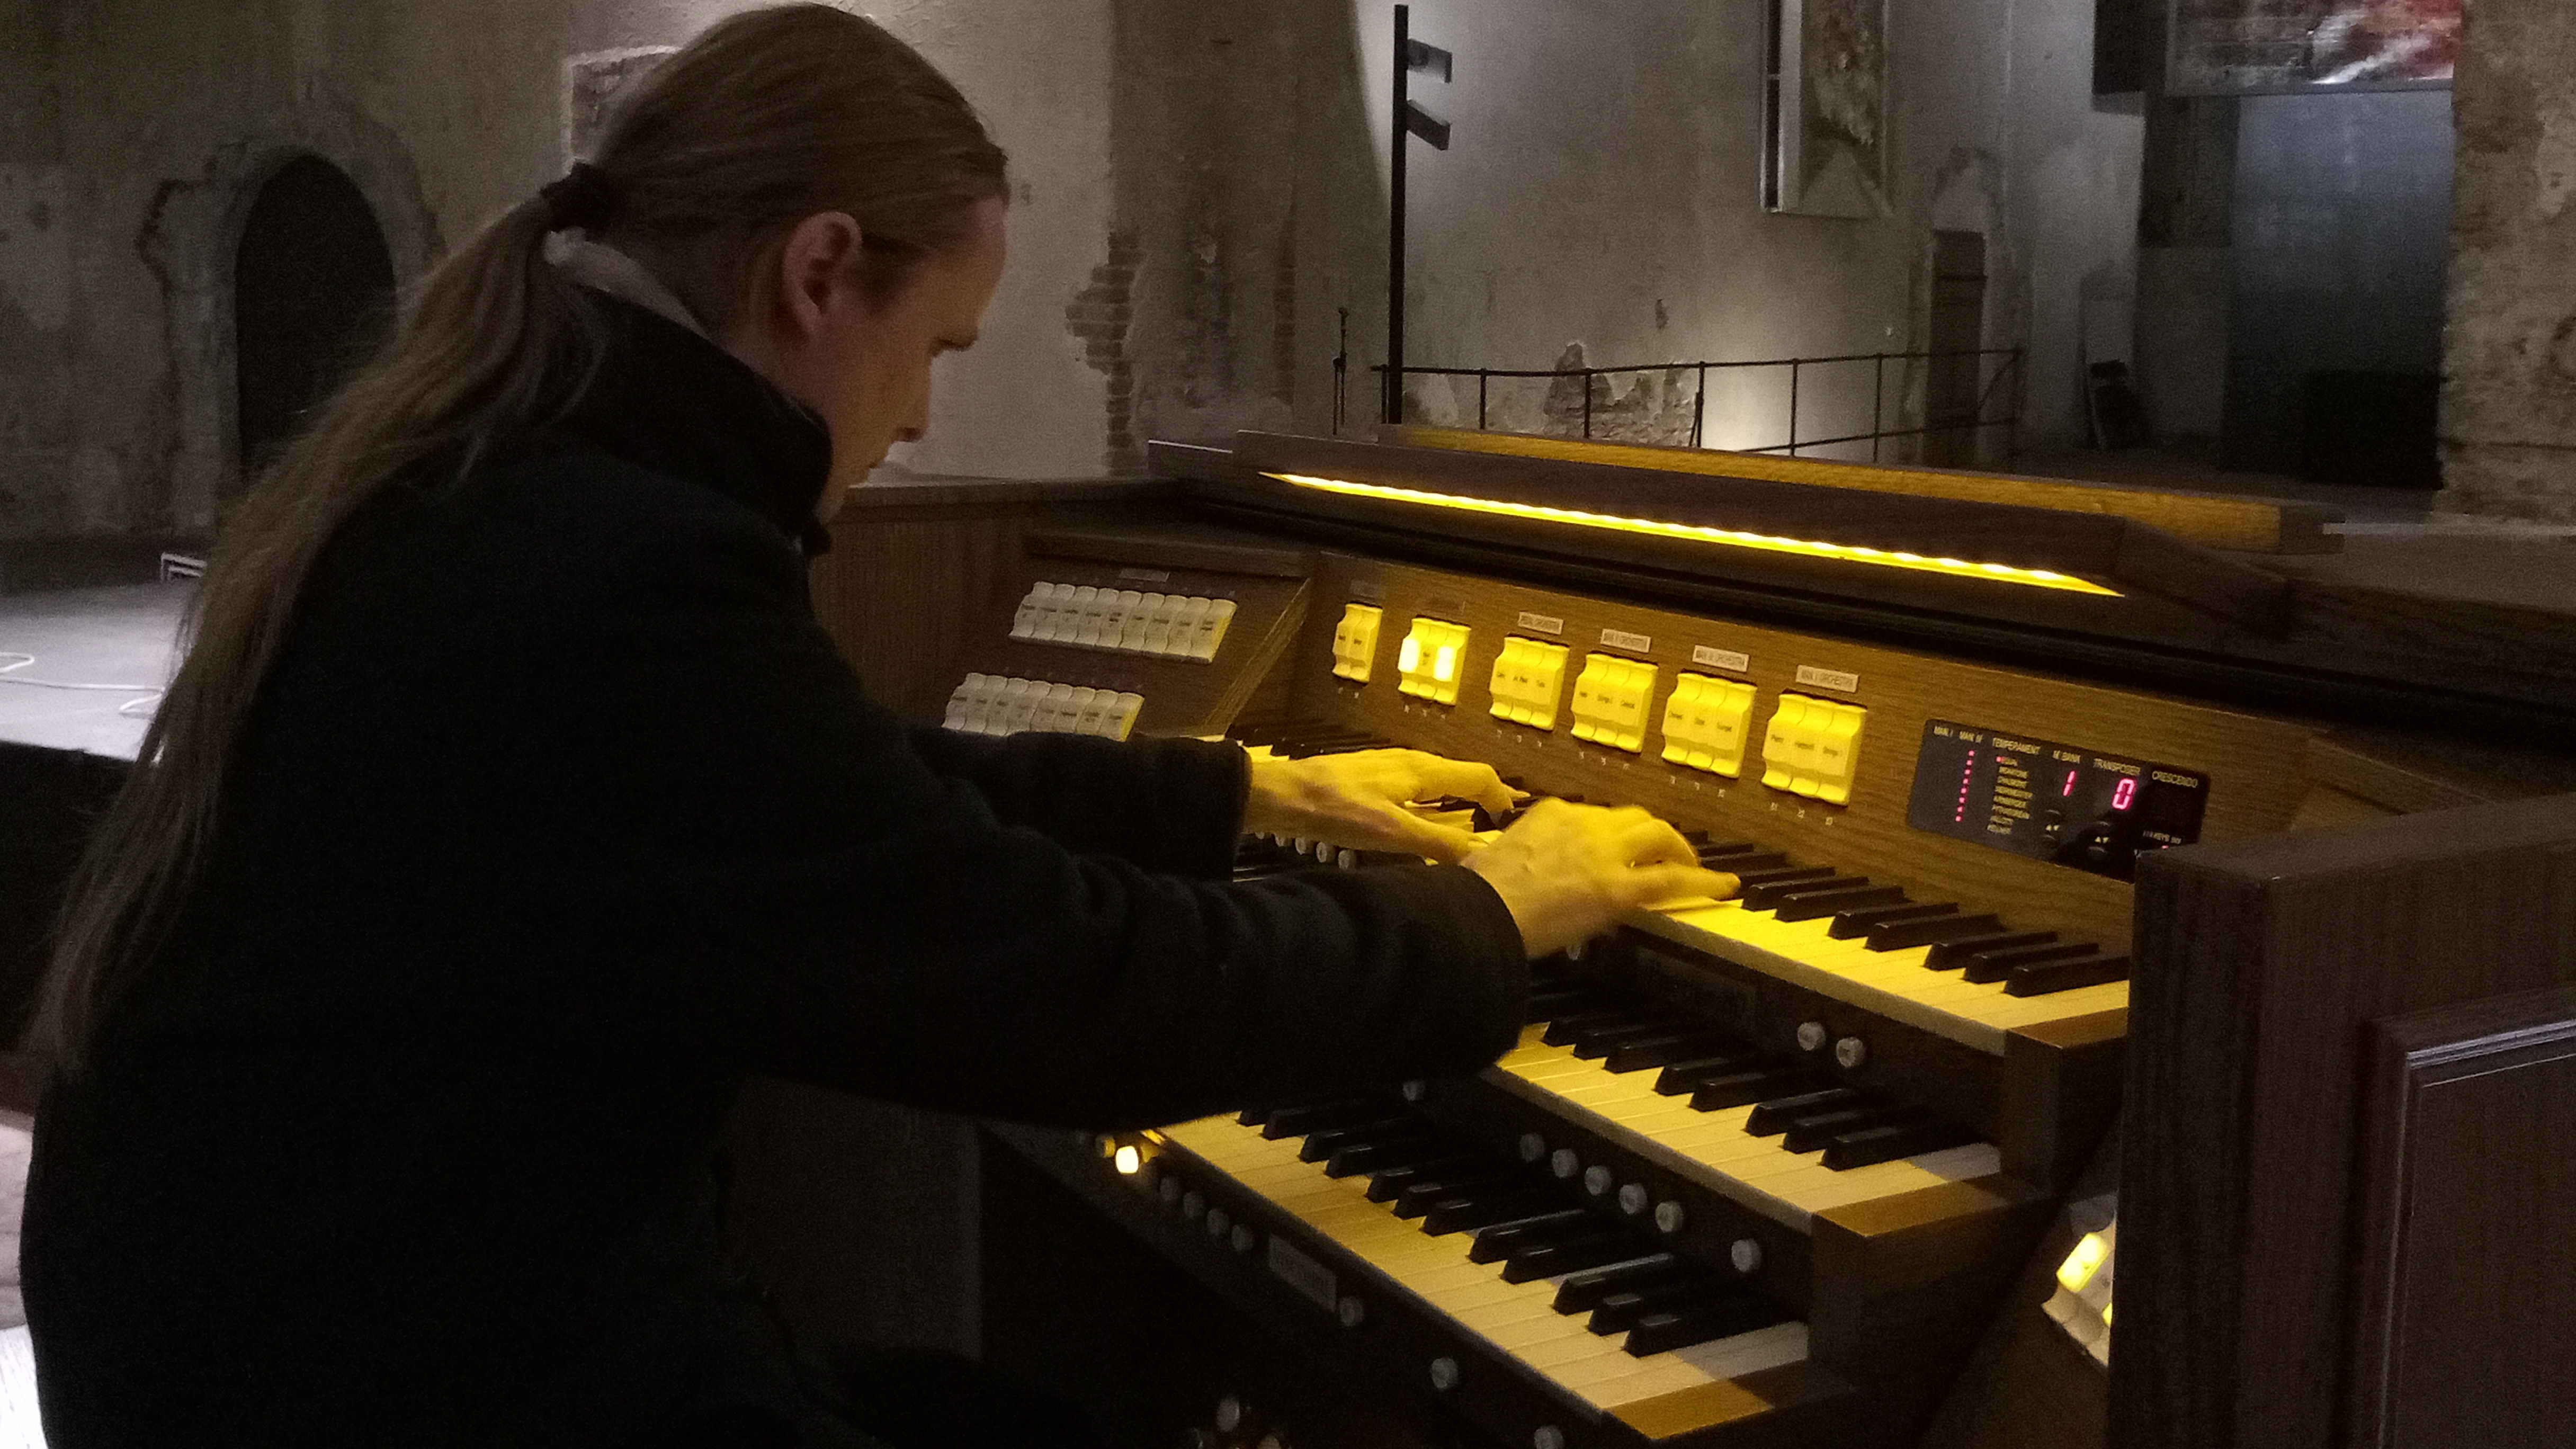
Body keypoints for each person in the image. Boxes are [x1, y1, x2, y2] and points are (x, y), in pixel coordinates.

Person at [20, 8, 1734, 1448]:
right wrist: (1492, 911)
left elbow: (822, 798)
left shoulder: (499, 464)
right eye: (938, 347)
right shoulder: (616, 561)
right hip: (386, 1376)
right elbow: (1065, 988)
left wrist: (1230, 791)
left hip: (315, 1322)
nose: (918, 418)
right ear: (821, 273)